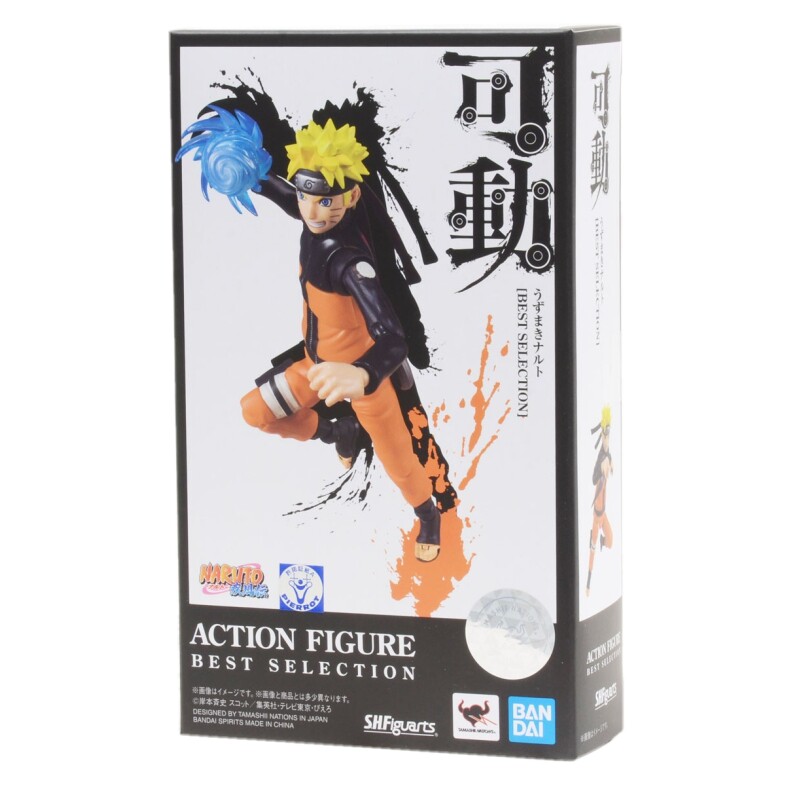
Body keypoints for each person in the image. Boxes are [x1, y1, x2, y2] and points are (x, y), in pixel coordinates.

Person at [177, 113, 441, 561]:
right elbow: (285, 195)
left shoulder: (351, 262)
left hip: (362, 377)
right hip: (315, 367)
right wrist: (246, 168)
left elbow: (393, 336)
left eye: (327, 201)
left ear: (351, 196)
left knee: (398, 460)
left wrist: (363, 374)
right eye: (306, 197)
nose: (314, 211)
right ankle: (340, 431)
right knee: (255, 412)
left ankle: (428, 515)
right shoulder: (311, 216)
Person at [586, 406, 614, 596]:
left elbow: (605, 449)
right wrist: (588, 585)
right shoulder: (600, 475)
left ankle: (603, 541)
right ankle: (588, 584)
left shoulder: (605, 458)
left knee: (610, 542)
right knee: (594, 551)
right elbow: (596, 475)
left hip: (603, 515)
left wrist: (605, 431)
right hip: (598, 518)